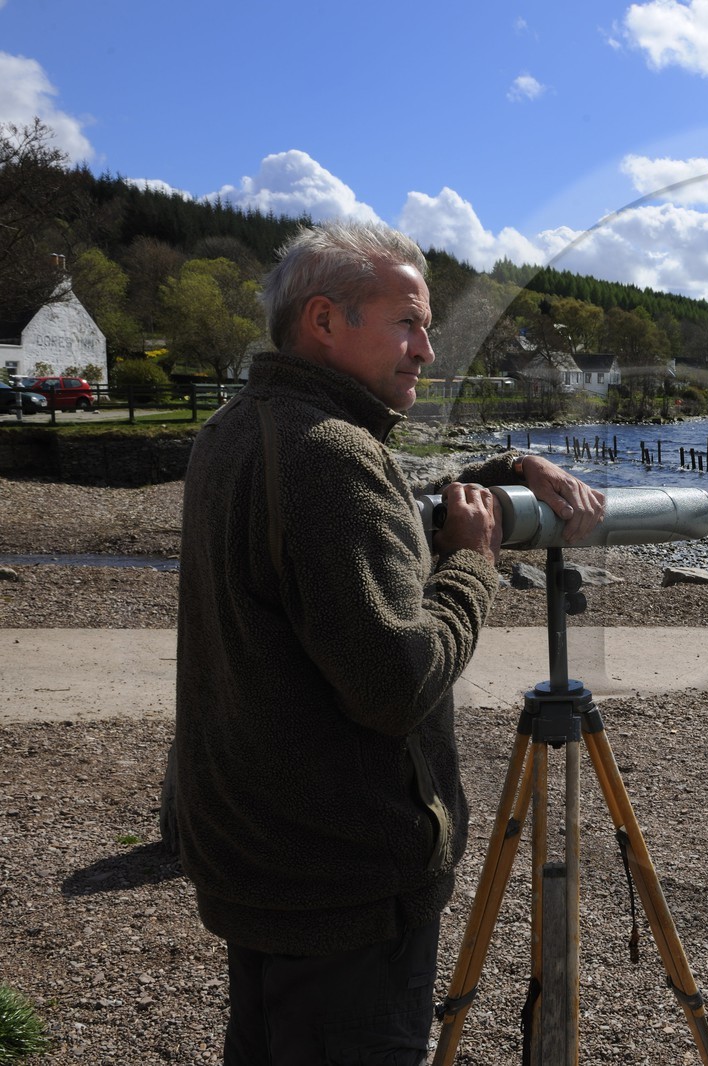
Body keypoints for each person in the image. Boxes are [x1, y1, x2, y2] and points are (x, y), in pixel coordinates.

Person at [166, 220, 604, 1064]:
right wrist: (476, 566)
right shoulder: (328, 454)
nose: (427, 350)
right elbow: (397, 682)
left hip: (258, 861)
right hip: (343, 886)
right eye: (408, 322)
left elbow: (365, 528)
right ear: (324, 321)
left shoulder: (236, 430)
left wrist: (502, 472)